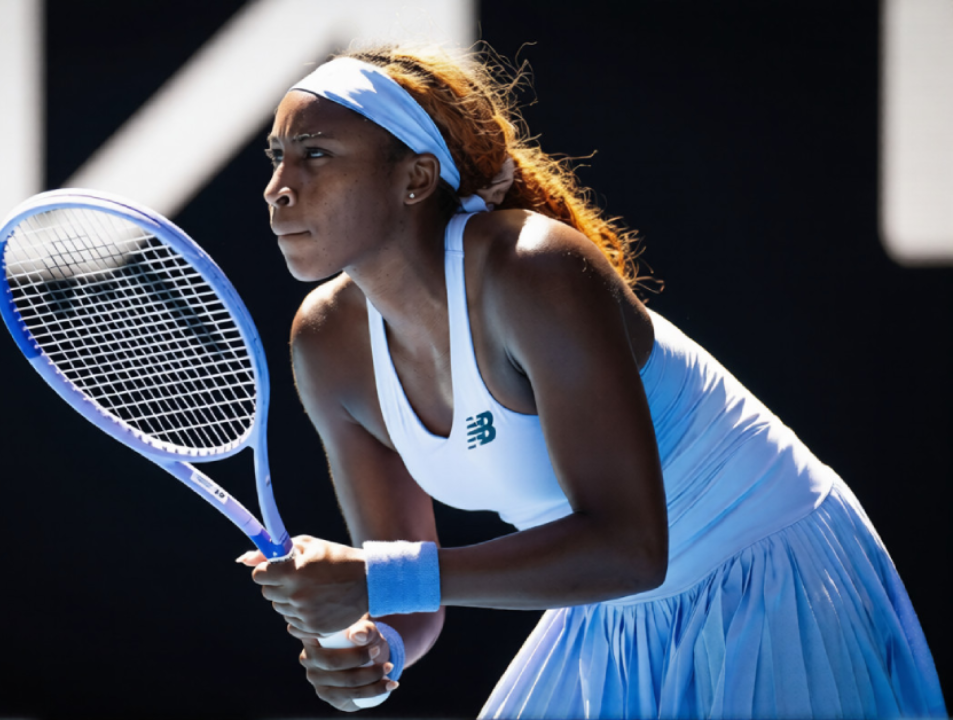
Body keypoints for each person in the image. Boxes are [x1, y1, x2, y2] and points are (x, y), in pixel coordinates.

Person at [236, 45, 947, 718]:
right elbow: (411, 597)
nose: (278, 189)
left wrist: (378, 578)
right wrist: (376, 647)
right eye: (277, 158)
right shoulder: (325, 345)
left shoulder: (532, 268)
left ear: (415, 178)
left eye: (315, 154)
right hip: (608, 606)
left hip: (771, 571)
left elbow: (629, 549)